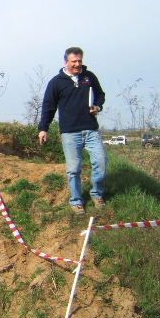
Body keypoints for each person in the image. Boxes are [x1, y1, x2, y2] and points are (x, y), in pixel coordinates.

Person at [38, 47, 106, 215]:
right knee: (74, 169)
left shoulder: (89, 77)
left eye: (79, 61)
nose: (77, 64)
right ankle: (76, 200)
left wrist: (98, 105)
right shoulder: (56, 82)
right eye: (73, 61)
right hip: (69, 132)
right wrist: (43, 128)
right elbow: (48, 106)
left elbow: (100, 94)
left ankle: (97, 194)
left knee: (101, 162)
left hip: (91, 129)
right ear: (66, 62)